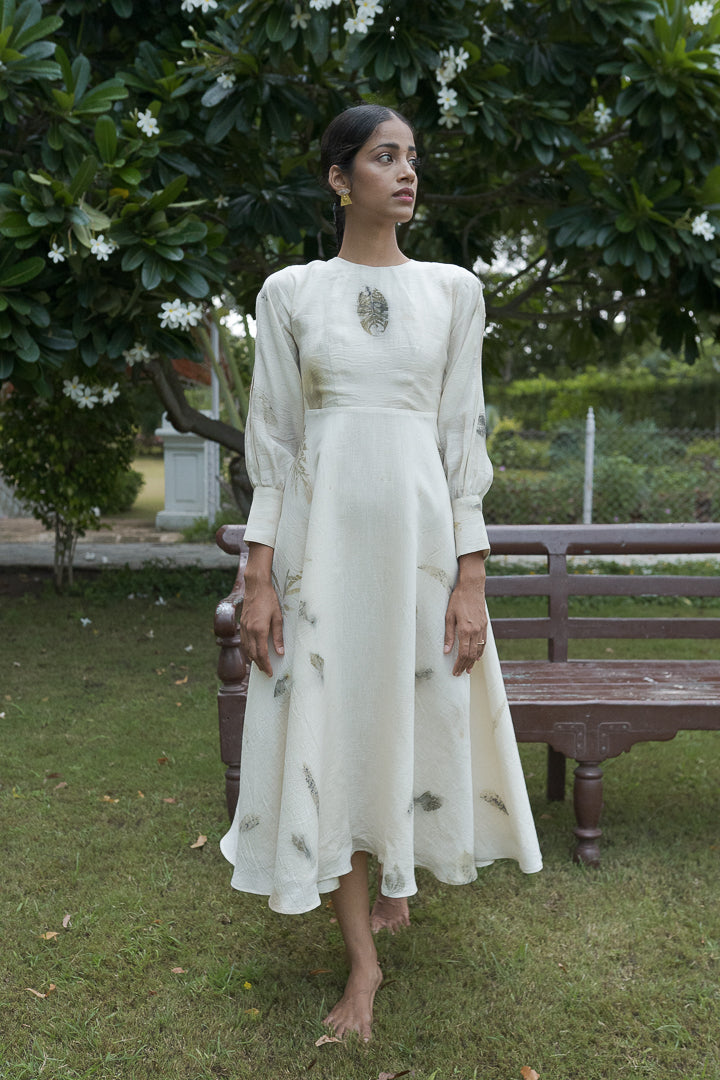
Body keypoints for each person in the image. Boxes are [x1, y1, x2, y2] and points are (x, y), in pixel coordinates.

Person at [220, 103, 542, 1042]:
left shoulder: (454, 291)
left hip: (420, 550)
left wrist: (472, 580)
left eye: (411, 158)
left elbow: (460, 440)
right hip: (321, 552)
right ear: (339, 178)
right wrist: (258, 578)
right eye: (383, 157)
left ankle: (398, 873)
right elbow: (274, 441)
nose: (406, 173)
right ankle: (363, 964)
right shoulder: (290, 293)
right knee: (332, 726)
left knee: (409, 711)